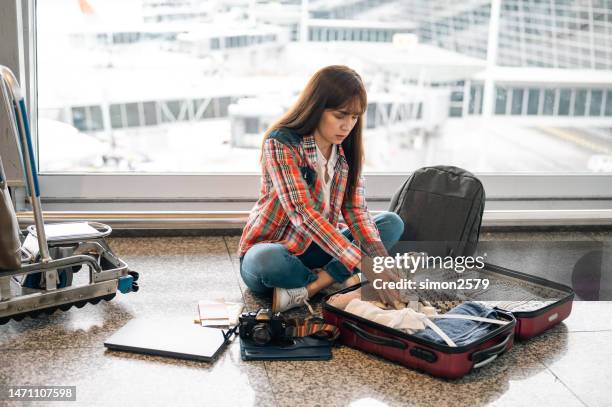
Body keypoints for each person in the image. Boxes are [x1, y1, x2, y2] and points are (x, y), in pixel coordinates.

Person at [237, 65, 404, 313]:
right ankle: (339, 280)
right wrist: (364, 265)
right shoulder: (281, 143)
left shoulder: (347, 150)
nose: (348, 125)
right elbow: (302, 213)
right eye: (340, 115)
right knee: (266, 261)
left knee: (391, 223)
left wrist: (380, 264)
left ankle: (312, 287)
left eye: (355, 117)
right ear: (316, 107)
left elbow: (356, 211)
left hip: (322, 246)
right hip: (278, 248)